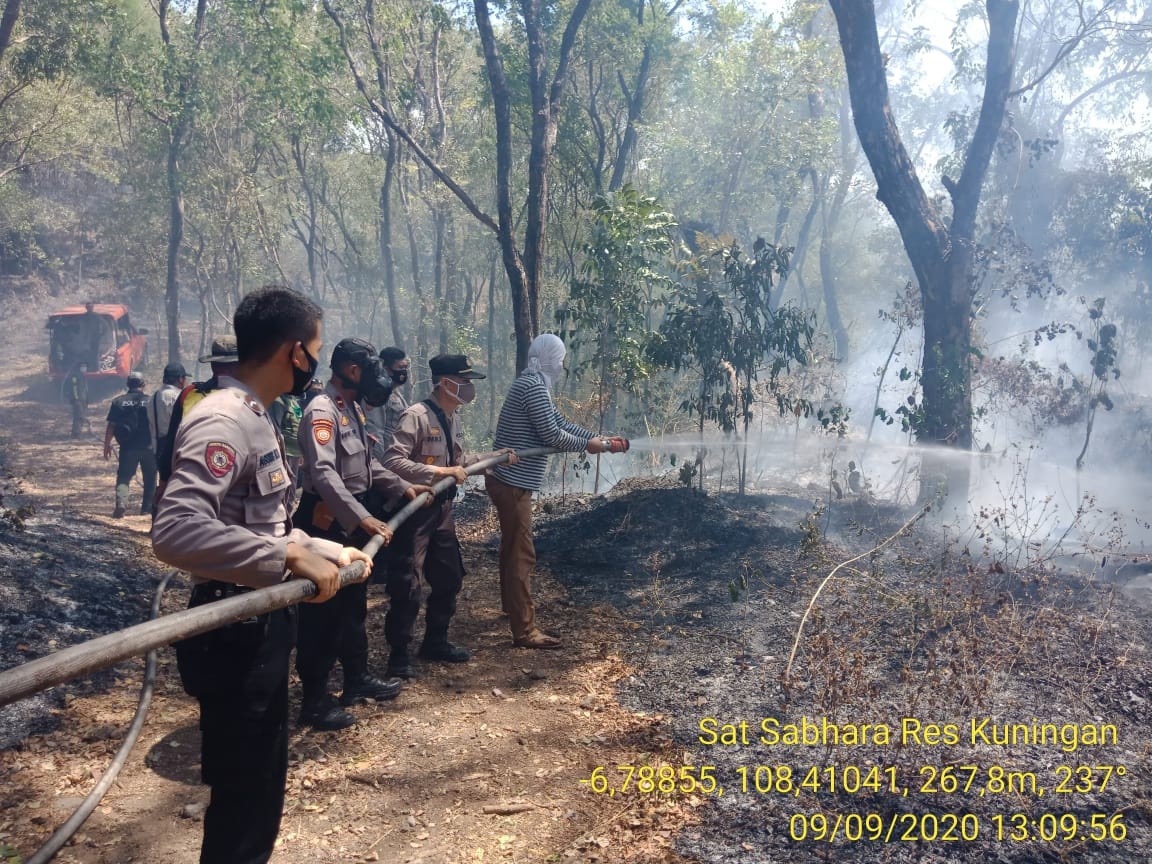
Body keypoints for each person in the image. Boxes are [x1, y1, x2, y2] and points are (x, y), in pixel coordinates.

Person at [153, 285, 374, 864]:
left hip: (261, 625)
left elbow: (261, 524)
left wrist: (319, 546)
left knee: (258, 795)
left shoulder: (257, 415)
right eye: (315, 349)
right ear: (293, 351)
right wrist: (285, 559)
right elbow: (174, 530)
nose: (316, 363)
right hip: (234, 632)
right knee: (243, 807)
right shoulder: (223, 419)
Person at [295, 337, 431, 730]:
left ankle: (356, 679)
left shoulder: (351, 408)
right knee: (322, 611)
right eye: (371, 367)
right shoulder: (322, 411)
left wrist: (402, 487)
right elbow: (323, 474)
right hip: (325, 520)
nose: (381, 376)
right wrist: (360, 518)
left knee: (352, 605)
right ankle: (315, 701)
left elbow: (367, 464)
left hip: (350, 517)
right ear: (352, 371)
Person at [486, 334, 625, 648]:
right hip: (512, 482)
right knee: (522, 553)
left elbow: (556, 421)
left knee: (511, 549)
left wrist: (595, 438)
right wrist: (584, 445)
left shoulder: (533, 382)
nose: (563, 365)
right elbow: (550, 432)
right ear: (549, 357)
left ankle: (512, 608)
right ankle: (524, 630)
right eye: (561, 358)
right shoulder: (533, 385)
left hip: (507, 479)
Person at [382, 354, 516, 678]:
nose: (469, 387)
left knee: (449, 576)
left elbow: (460, 461)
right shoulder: (414, 416)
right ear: (445, 382)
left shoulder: (452, 418)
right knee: (408, 584)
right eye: (464, 381)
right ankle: (399, 655)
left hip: (442, 510)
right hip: (413, 513)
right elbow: (391, 461)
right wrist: (436, 471)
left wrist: (493, 457)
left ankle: (435, 640)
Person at [157, 336, 240, 487]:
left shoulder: (189, 394)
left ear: (212, 366)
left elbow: (171, 443)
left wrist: (164, 481)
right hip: (235, 484)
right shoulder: (251, 399)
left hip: (191, 481)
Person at [103, 371, 156, 518]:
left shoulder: (118, 402)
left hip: (127, 448)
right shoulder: (151, 401)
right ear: (143, 385)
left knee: (124, 477)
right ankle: (147, 508)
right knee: (150, 478)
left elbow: (111, 426)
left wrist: (106, 445)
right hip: (149, 447)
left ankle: (121, 503)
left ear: (127, 384)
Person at [364, 346, 411, 461]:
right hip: (385, 459)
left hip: (398, 456)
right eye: (400, 367)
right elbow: (375, 432)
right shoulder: (378, 394)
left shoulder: (397, 392)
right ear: (385, 368)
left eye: (406, 367)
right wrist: (381, 466)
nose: (404, 371)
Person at [149, 361, 187, 454]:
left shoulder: (153, 397)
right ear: (180, 379)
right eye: (185, 378)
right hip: (176, 448)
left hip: (158, 449)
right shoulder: (178, 396)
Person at [65, 363, 89, 438]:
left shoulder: (83, 376)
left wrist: (87, 400)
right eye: (83, 366)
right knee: (78, 416)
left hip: (83, 400)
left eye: (85, 366)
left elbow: (85, 390)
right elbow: (74, 388)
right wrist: (76, 399)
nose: (84, 368)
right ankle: (76, 434)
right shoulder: (75, 376)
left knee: (81, 417)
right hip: (77, 400)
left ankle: (78, 433)